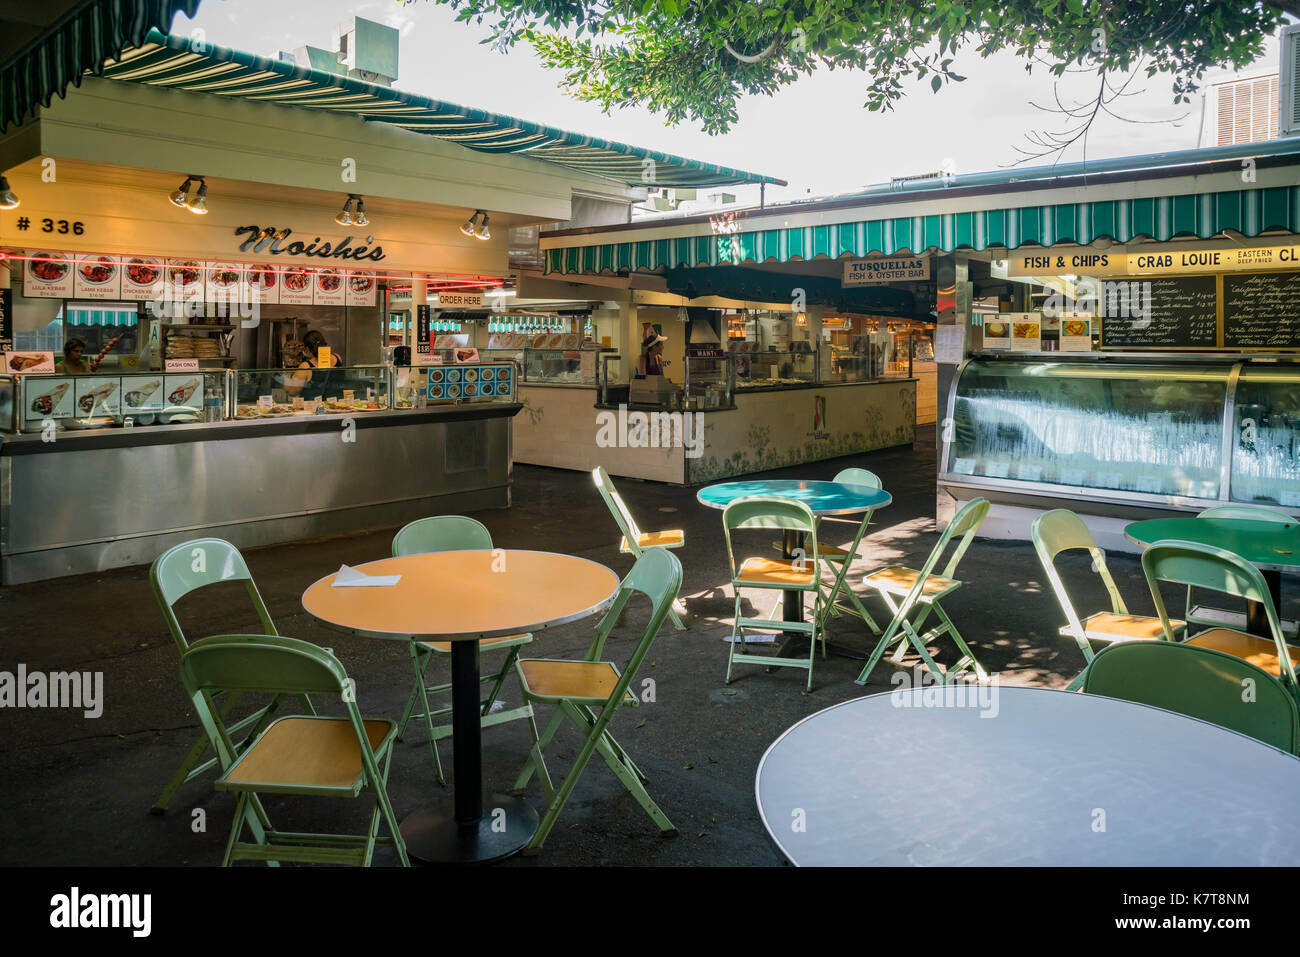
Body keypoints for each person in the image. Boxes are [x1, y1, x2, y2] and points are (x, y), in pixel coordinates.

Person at [285, 330, 343, 399]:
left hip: (313, 407)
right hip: (337, 405)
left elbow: (292, 392)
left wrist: (287, 376)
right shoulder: (337, 358)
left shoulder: (306, 367)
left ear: (307, 349)